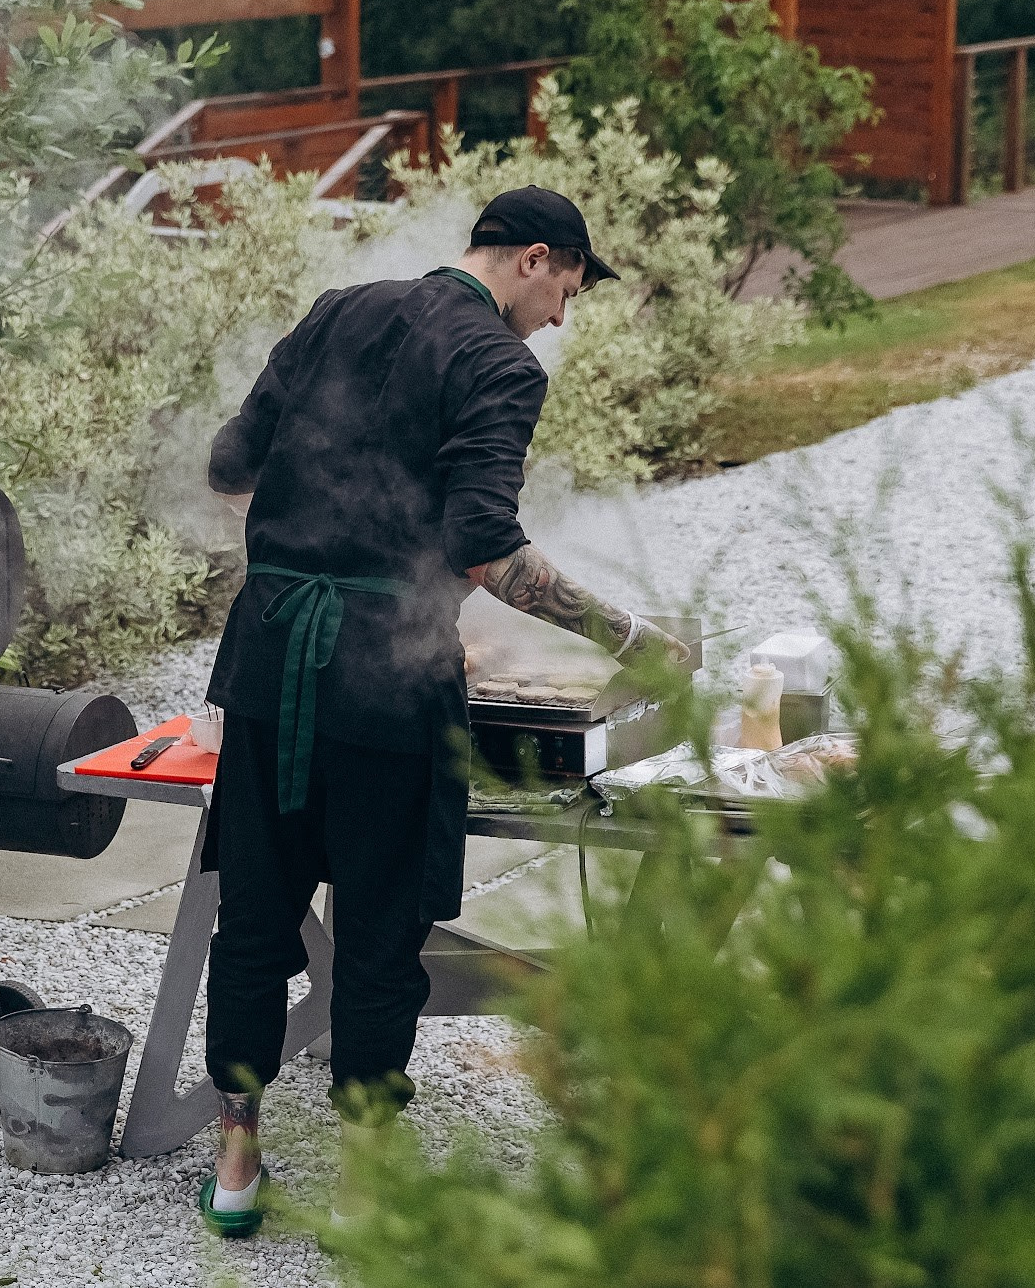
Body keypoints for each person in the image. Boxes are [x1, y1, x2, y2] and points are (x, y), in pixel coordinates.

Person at [192, 185, 690, 1237]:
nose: (560, 315)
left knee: (252, 916)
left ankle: (236, 1167)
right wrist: (631, 638)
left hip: (271, 659)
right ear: (534, 258)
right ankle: (371, 1185)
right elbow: (488, 547)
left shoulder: (337, 309)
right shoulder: (498, 363)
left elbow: (227, 467)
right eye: (566, 288)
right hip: (386, 691)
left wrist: (326, 552)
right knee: (378, 932)